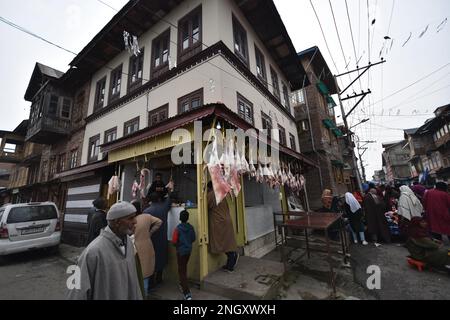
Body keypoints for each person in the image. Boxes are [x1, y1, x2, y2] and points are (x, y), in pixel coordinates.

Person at [67, 201, 142, 300]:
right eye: (130, 218)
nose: (135, 221)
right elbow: (76, 292)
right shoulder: (93, 252)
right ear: (117, 222)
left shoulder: (128, 242)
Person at [132, 200, 162, 298]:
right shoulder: (146, 216)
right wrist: (150, 232)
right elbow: (159, 221)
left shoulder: (130, 220)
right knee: (145, 276)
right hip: (147, 246)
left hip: (134, 248)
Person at [207, 182, 239, 272]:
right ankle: (230, 262)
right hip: (226, 220)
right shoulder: (221, 193)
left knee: (223, 243)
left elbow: (204, 205)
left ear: (210, 188)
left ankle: (232, 260)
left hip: (219, 222)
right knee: (227, 242)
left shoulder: (211, 194)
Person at [144, 191, 172, 286]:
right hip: (162, 238)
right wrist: (169, 191)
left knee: (151, 260)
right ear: (159, 199)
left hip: (151, 239)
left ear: (150, 201)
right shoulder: (163, 208)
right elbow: (169, 200)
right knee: (161, 258)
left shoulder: (146, 211)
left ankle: (151, 282)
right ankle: (159, 279)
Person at [171, 210, 196, 300]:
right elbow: (193, 238)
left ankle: (187, 293)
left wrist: (178, 245)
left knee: (182, 271)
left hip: (180, 252)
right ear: (187, 218)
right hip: (188, 251)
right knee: (184, 268)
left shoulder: (177, 229)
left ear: (180, 218)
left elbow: (174, 241)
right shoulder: (191, 228)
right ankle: (182, 284)